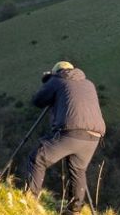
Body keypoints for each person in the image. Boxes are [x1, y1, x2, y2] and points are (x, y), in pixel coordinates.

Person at [25, 61, 106, 214]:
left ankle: (29, 200)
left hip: (72, 132)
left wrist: (49, 81)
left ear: (58, 72)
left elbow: (38, 100)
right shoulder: (89, 84)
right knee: (78, 170)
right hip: (94, 136)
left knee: (38, 158)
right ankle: (74, 211)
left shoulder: (57, 80)